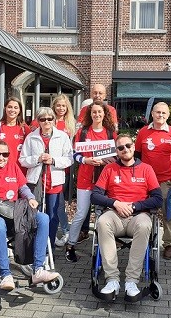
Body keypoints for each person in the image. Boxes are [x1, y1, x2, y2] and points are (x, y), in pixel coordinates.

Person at [0, 140, 60, 290]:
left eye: (5, 154)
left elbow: (23, 188)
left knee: (43, 218)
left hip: (14, 213)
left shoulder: (12, 167)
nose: (1, 158)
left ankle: (38, 269)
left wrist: (30, 198)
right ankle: (5, 274)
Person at [91, 134, 163, 298]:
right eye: (121, 148)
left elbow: (158, 199)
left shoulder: (146, 169)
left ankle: (131, 280)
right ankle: (112, 280)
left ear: (133, 147)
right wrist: (115, 203)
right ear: (117, 151)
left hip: (138, 215)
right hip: (115, 215)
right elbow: (95, 196)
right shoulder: (109, 169)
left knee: (145, 225)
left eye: (128, 145)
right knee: (102, 222)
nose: (125, 149)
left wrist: (135, 206)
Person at [66, 101, 117, 262]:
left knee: (102, 214)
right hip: (85, 179)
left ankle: (103, 248)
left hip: (103, 180)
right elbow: (74, 154)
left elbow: (116, 156)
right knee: (81, 213)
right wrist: (86, 160)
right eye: (94, 112)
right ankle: (70, 245)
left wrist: (104, 161)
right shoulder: (83, 132)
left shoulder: (110, 133)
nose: (97, 115)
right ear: (90, 114)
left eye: (99, 112)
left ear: (104, 114)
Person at [19, 107, 74, 249]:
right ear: (38, 121)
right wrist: (37, 159)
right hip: (36, 182)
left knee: (53, 215)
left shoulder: (62, 136)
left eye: (50, 119)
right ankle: (34, 246)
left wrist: (54, 160)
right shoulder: (31, 137)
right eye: (43, 119)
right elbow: (23, 159)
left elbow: (69, 159)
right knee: (35, 215)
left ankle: (49, 247)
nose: (46, 122)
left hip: (54, 182)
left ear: (54, 120)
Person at [135, 102, 171, 260]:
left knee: (168, 215)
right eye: (158, 112)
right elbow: (137, 157)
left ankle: (168, 244)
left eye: (164, 113)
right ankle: (144, 240)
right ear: (152, 113)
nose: (160, 115)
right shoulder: (143, 132)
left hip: (165, 181)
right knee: (143, 213)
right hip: (145, 182)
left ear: (168, 115)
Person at [51, 94, 76, 247]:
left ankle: (65, 230)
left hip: (64, 168)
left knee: (60, 203)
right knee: (53, 203)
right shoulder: (48, 120)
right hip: (47, 169)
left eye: (64, 106)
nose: (61, 108)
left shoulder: (71, 124)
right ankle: (54, 231)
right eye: (58, 105)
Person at [0, 96, 31, 173]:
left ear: (20, 110)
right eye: (9, 107)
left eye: (16, 107)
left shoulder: (25, 129)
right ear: (5, 108)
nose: (12, 110)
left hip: (20, 171)